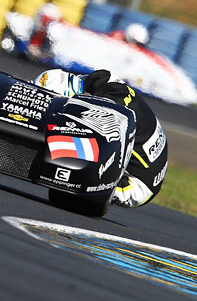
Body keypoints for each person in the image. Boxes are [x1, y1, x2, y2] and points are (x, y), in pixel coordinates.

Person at [36, 68, 168, 208]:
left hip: (138, 183)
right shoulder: (98, 82)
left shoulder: (110, 103)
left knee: (68, 186)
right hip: (144, 158)